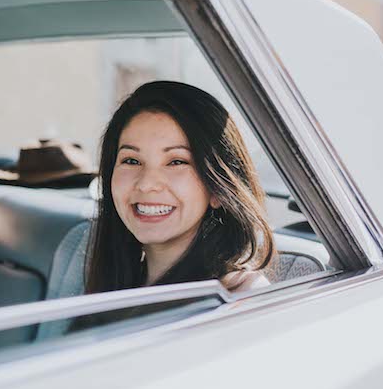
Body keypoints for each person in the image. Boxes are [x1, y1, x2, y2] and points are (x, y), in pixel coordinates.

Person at [86, 80, 275, 297]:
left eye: (176, 162)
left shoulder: (238, 298)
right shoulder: (116, 281)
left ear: (218, 189)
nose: (147, 183)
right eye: (131, 160)